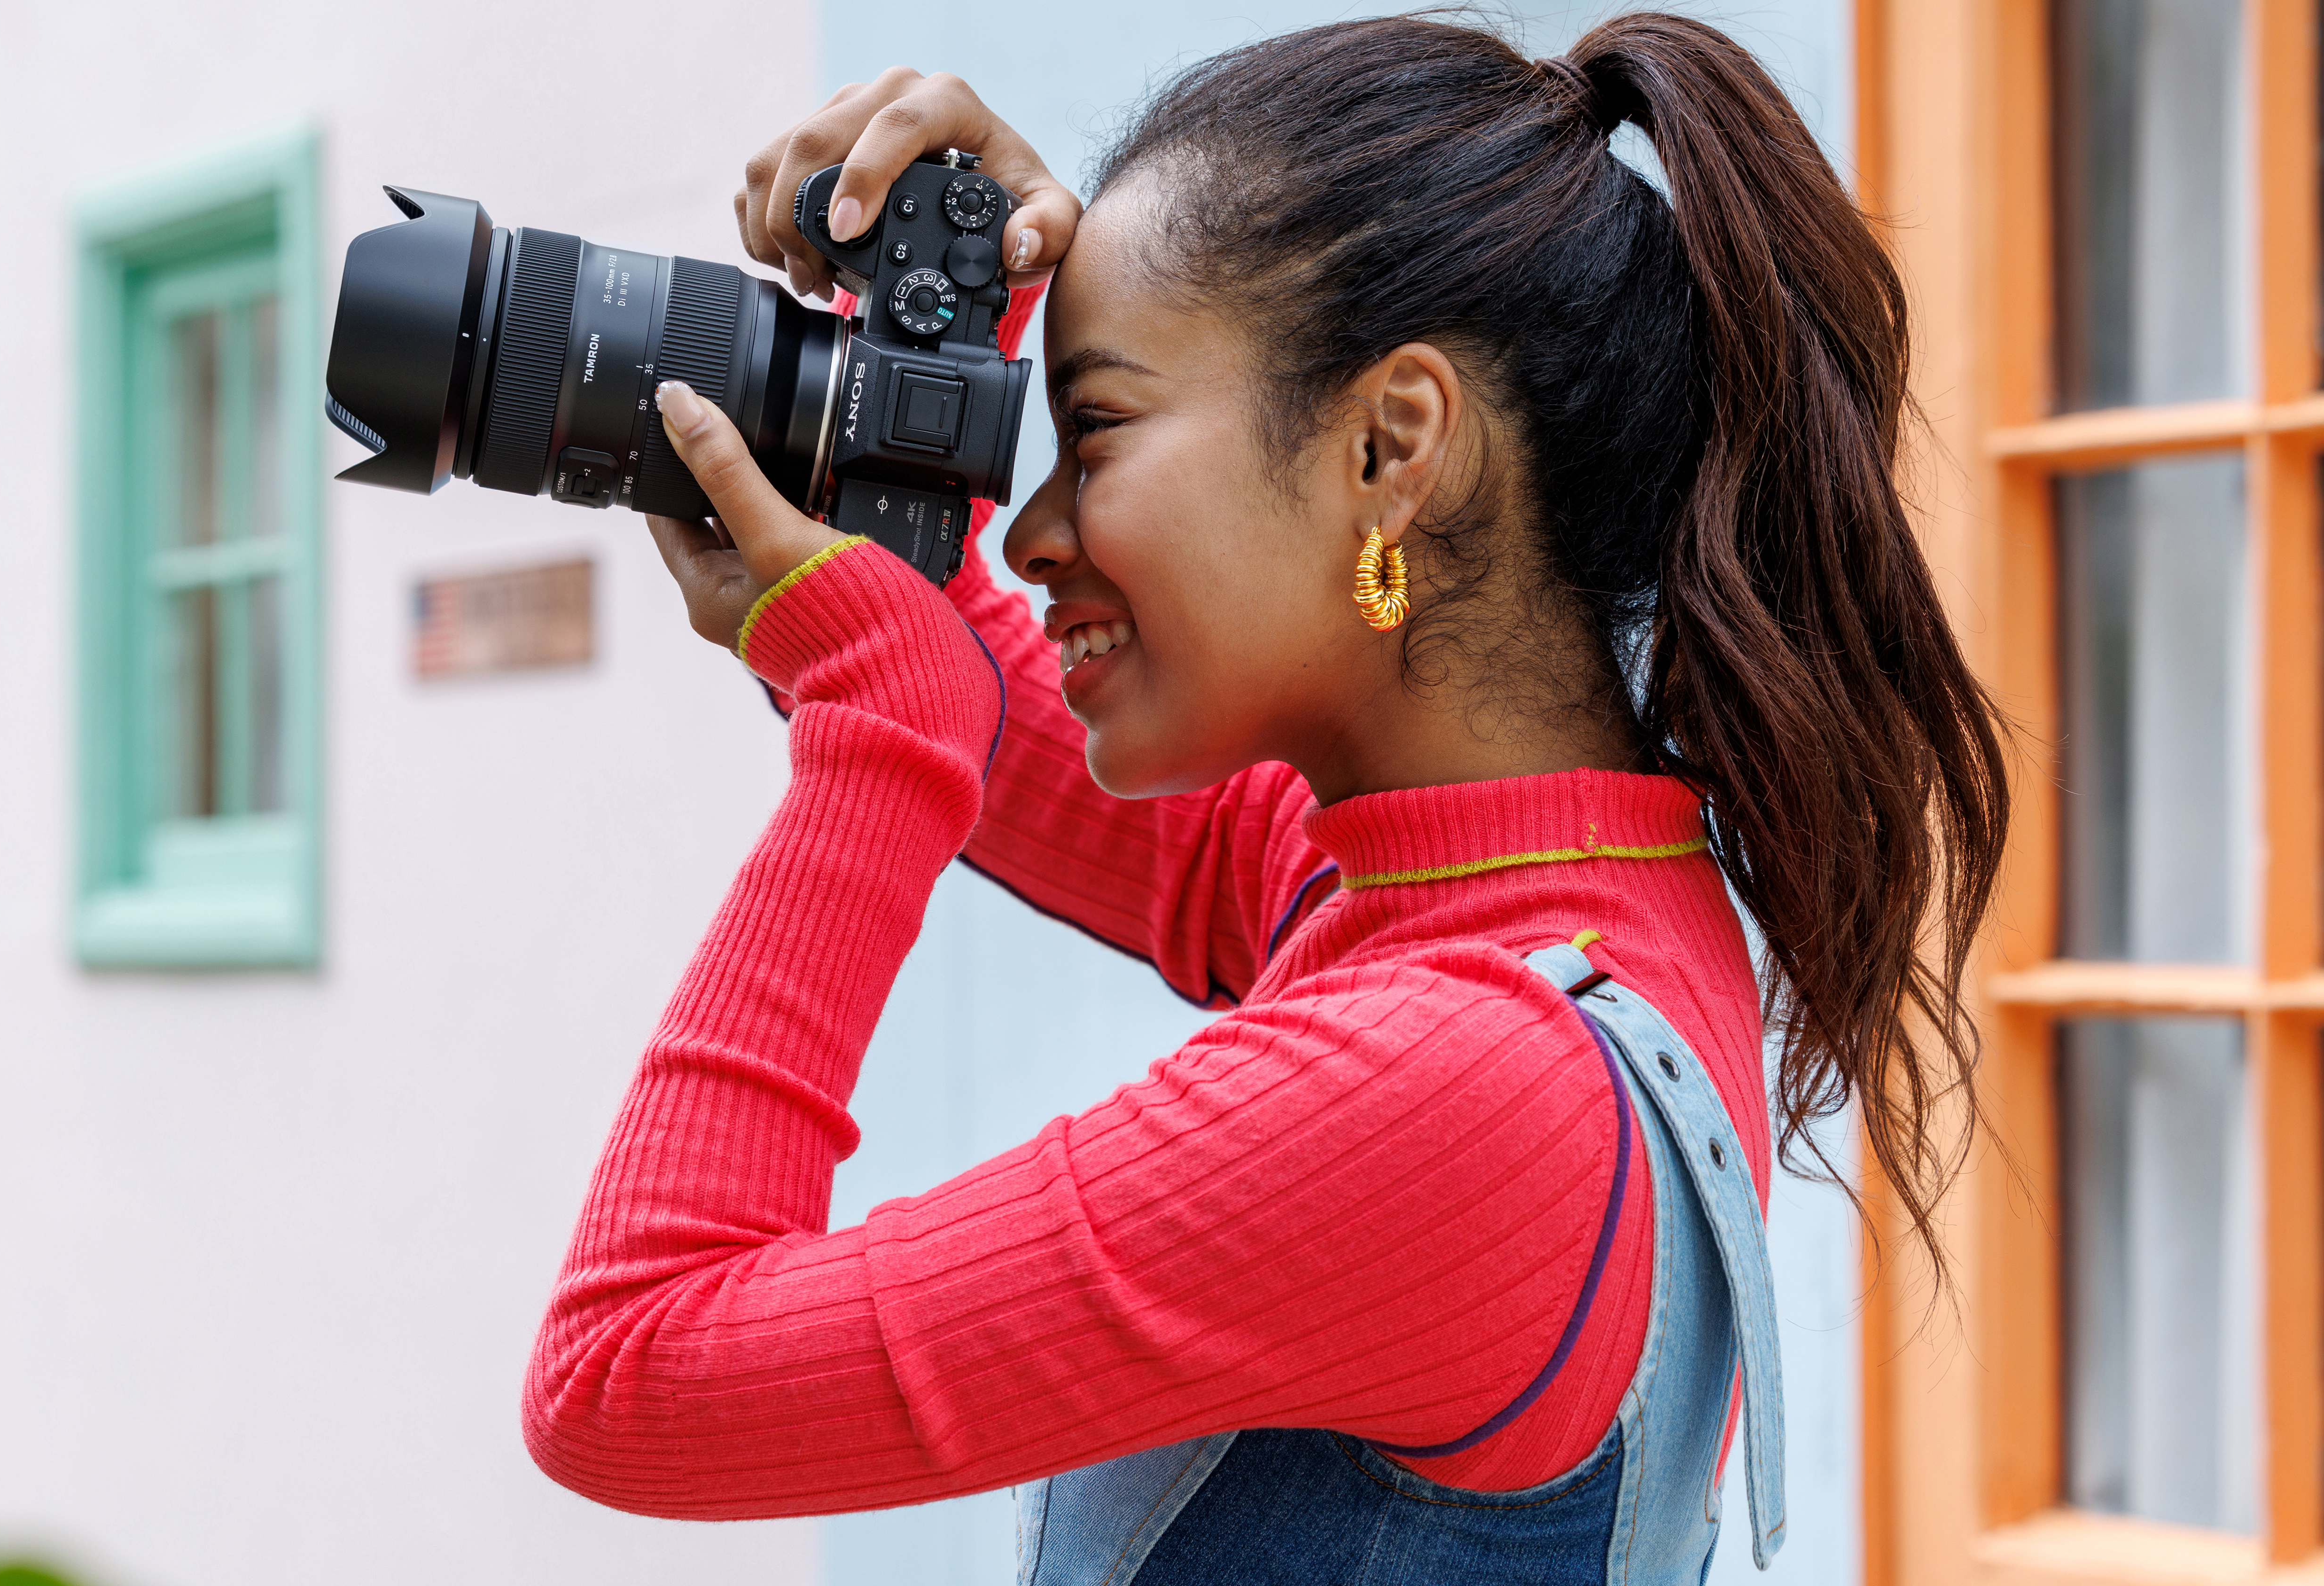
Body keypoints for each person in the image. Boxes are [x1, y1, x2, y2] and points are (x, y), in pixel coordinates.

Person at [523, 13, 2008, 1581]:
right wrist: (943, 329)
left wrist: (872, 730)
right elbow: (986, 717)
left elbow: (629, 1369)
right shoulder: (1539, 898)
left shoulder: (1459, 1093)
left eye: (1095, 431)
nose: (1032, 535)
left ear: (1392, 445)